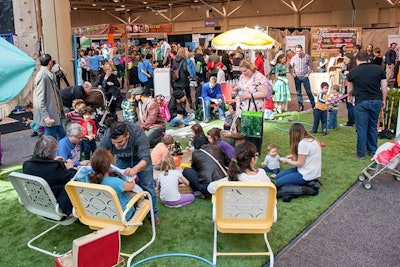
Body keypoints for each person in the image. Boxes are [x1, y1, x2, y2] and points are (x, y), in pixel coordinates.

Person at [98, 121, 159, 225]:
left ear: (127, 135)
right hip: (121, 160)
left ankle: (153, 214)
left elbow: (146, 158)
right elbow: (99, 153)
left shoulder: (138, 133)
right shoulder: (108, 135)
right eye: (114, 143)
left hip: (141, 161)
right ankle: (130, 211)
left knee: (148, 186)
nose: (116, 146)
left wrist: (135, 169)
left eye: (120, 142)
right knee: (122, 188)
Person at [347, 51, 388, 159]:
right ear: (368, 59)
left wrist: (349, 95)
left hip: (361, 101)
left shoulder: (353, 71)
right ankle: (373, 150)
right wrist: (383, 99)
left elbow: (350, 88)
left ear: (357, 59)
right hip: (376, 100)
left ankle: (361, 154)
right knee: (373, 126)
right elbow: (384, 86)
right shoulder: (378, 69)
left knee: (361, 128)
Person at [23, 135, 77, 215]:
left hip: (38, 200)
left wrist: (52, 161)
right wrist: (70, 168)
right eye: (55, 149)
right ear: (50, 151)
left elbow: (43, 169)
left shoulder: (27, 164)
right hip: (57, 201)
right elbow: (72, 178)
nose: (57, 149)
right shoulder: (54, 167)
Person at [233, 59, 272, 154]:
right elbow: (242, 85)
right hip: (244, 108)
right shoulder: (243, 76)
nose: (243, 73)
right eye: (241, 71)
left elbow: (264, 93)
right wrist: (237, 88)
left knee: (255, 133)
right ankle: (248, 150)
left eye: (245, 71)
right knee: (247, 133)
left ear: (250, 68)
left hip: (255, 108)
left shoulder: (259, 78)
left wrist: (248, 95)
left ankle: (256, 152)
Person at [87, 148, 136, 219]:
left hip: (97, 213)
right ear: (109, 166)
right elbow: (132, 186)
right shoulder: (116, 182)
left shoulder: (87, 178)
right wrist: (128, 175)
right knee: (136, 196)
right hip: (121, 215)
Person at [207, 141, 272, 194]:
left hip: (236, 209)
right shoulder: (262, 174)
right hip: (259, 209)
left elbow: (210, 188)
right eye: (256, 155)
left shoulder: (234, 177)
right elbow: (270, 190)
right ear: (252, 159)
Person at [33, 53, 66, 141]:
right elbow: (40, 99)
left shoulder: (49, 74)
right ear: (50, 62)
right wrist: (46, 116)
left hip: (55, 113)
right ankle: (50, 154)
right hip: (50, 115)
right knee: (51, 140)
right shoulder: (43, 76)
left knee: (62, 136)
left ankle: (62, 153)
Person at [289, 44, 315, 111]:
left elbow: (311, 66)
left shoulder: (307, 57)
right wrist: (292, 73)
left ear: (302, 50)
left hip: (304, 77)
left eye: (300, 51)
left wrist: (308, 73)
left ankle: (313, 105)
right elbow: (290, 67)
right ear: (295, 51)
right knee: (298, 92)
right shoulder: (294, 58)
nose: (299, 53)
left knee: (308, 91)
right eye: (297, 51)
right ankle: (300, 106)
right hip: (297, 77)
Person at [340, 53, 357, 127]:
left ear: (350, 59)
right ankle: (352, 120)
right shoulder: (348, 66)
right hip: (348, 86)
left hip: (351, 88)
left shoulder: (353, 68)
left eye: (345, 59)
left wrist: (348, 73)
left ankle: (351, 122)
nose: (344, 61)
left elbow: (353, 77)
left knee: (350, 105)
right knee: (350, 105)